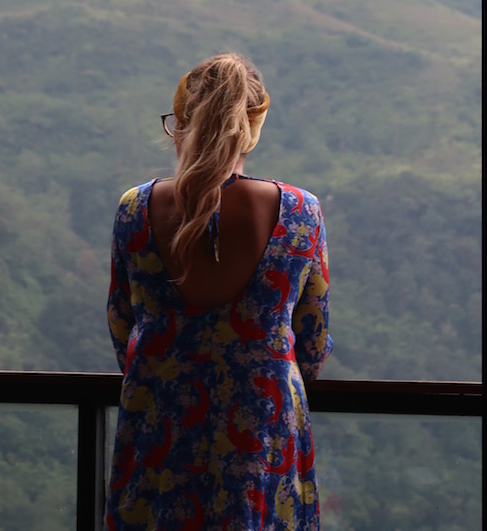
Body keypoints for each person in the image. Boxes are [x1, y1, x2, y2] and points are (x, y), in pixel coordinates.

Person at [105, 52, 332, 530]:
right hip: (260, 438)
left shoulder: (135, 210)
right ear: (252, 127)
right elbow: (310, 347)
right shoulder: (299, 213)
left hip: (158, 432)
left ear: (181, 124)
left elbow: (123, 327)